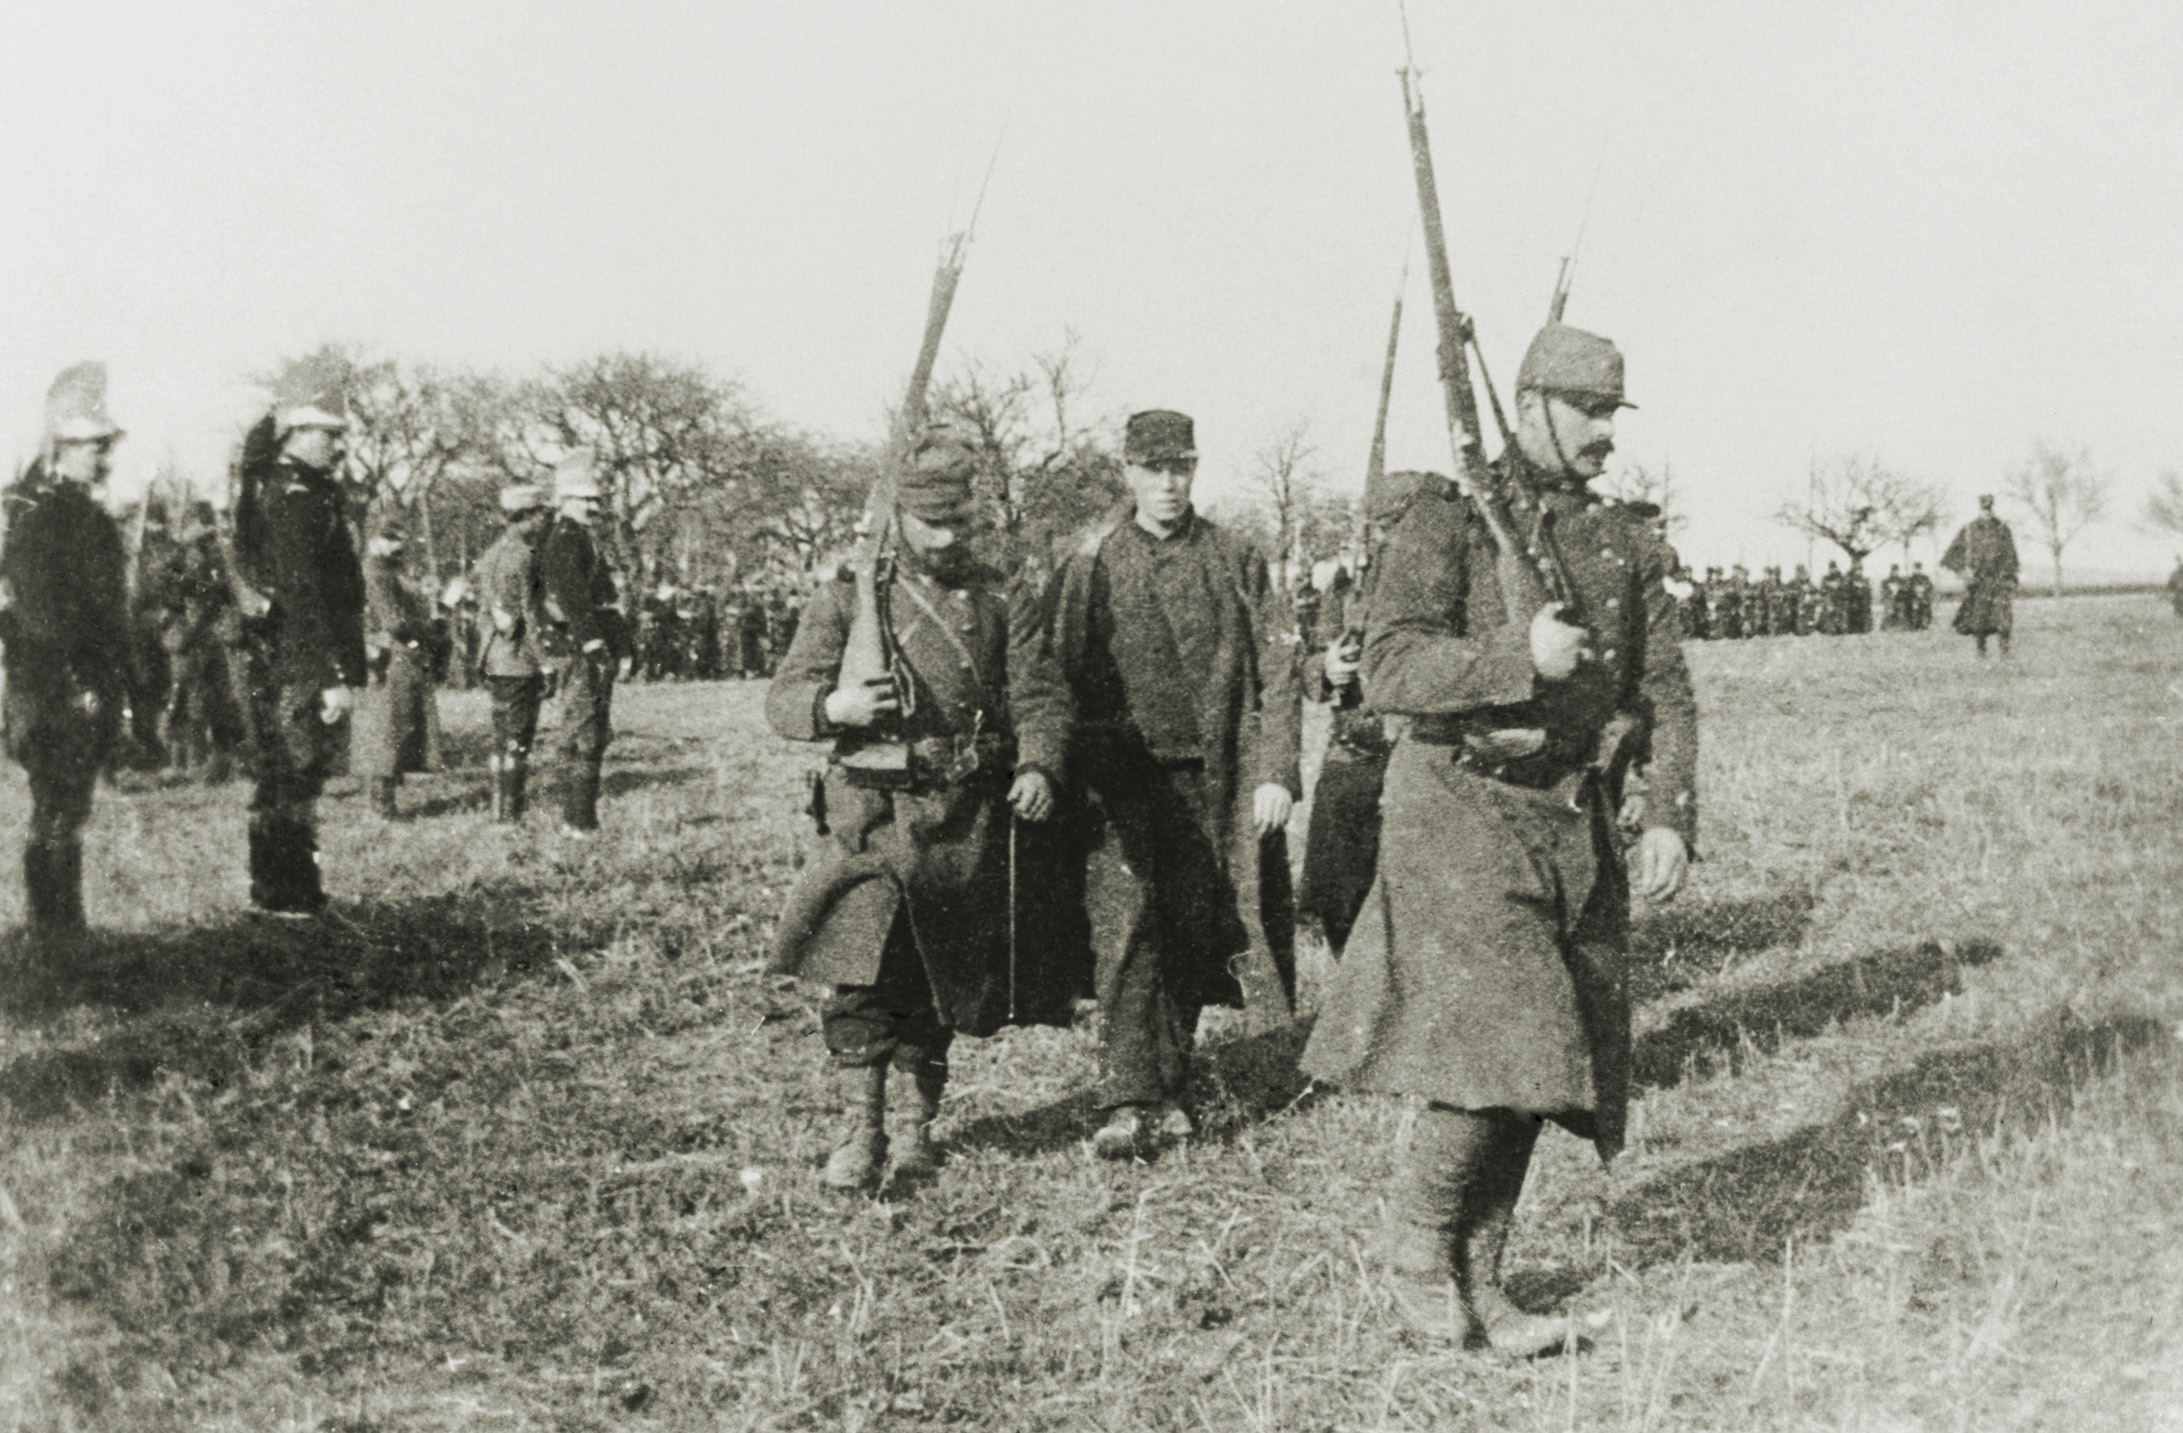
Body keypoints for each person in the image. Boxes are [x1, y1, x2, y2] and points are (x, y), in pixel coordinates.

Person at [1302, 324, 1696, 1357]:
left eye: (1614, 412)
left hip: (1568, 824)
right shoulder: (1446, 521)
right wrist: (1512, 656)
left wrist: (1665, 812)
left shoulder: (1620, 537)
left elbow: (1662, 685)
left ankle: (1483, 1278)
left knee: (1546, 1059)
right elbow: (1387, 666)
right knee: (1511, 1038)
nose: (1607, 433)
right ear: (1528, 406)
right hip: (1459, 811)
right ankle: (1413, 1253)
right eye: (1589, 411)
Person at [766, 423, 1076, 1190]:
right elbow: (783, 698)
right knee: (862, 972)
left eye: (960, 522)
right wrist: (833, 704)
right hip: (867, 815)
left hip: (960, 815)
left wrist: (1039, 761)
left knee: (939, 975)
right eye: (931, 522)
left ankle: (913, 1133)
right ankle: (857, 1131)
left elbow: (1040, 694)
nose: (947, 538)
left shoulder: (1003, 596)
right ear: (897, 516)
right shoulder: (846, 597)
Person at [1046, 408, 1302, 1160]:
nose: (1167, 482)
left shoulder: (1233, 557)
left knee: (1196, 929)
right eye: (1152, 468)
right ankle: (1128, 1098)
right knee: (1126, 930)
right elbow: (1054, 673)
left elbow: (1280, 671)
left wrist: (1276, 772)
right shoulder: (1088, 562)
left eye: (1180, 467)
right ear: (1126, 471)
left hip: (1214, 782)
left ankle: (1172, 1084)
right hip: (1119, 787)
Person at [0, 363, 133, 943]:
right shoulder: (44, 515)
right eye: (92, 448)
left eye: (104, 447)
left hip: (78, 683)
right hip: (54, 685)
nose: (103, 459)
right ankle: (54, 937)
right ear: (62, 447)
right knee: (57, 807)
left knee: (68, 808)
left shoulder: (77, 511)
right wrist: (81, 680)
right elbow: (42, 615)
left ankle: (62, 931)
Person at [231, 356, 366, 916]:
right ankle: (289, 897)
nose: (339, 445)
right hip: (297, 663)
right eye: (330, 434)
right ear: (297, 432)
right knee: (295, 777)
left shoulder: (293, 489)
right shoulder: (295, 499)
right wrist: (330, 676)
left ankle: (279, 893)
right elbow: (304, 596)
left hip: (287, 661)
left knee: (287, 778)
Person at [1297, 471, 1423, 958]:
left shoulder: (1443, 584)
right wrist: (1327, 668)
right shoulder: (1347, 591)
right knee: (1338, 895)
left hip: (1419, 756)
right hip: (1354, 753)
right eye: (1381, 525)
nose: (1388, 537)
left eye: (1399, 525)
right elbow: (1308, 660)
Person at [539, 450, 626, 835]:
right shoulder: (563, 541)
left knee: (590, 730)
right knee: (583, 732)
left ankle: (580, 816)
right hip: (580, 647)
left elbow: (606, 599)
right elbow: (572, 598)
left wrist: (620, 645)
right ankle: (577, 819)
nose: (594, 506)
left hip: (592, 643)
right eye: (585, 500)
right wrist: (593, 643)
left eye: (596, 500)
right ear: (564, 500)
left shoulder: (582, 537)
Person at [473, 484, 555, 822]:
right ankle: (510, 813)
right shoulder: (526, 556)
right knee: (518, 738)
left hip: (494, 656)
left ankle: (500, 809)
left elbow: (485, 612)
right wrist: (546, 662)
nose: (544, 521)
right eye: (540, 514)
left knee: (501, 737)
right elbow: (531, 613)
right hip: (520, 659)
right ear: (525, 517)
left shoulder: (490, 554)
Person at [153, 501, 248, 782]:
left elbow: (213, 597)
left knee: (208, 701)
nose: (207, 540)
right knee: (189, 700)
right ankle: (193, 763)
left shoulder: (211, 557)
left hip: (205, 637)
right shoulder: (180, 559)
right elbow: (176, 596)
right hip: (190, 638)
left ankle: (211, 764)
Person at [1941, 495, 2019, 657]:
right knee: (1979, 619)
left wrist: (2010, 578)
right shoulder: (1969, 529)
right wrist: (1963, 572)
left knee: (2003, 619)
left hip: (1999, 580)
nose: (1987, 512)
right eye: (1984, 509)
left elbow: (2011, 556)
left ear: (1993, 508)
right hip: (1978, 581)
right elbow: (1950, 556)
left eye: (1989, 509)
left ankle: (2005, 653)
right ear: (1979, 509)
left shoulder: (2003, 529)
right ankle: (1980, 652)